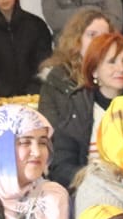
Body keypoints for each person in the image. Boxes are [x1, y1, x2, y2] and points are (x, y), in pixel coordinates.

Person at [49, 31, 123, 190]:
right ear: (94, 70)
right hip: (90, 189)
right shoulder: (76, 107)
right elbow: (61, 166)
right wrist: (91, 178)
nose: (121, 68)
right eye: (112, 62)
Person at [34, 8, 113, 142]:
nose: (99, 41)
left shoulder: (121, 75)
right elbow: (50, 129)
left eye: (105, 36)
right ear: (77, 39)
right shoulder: (57, 79)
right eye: (92, 35)